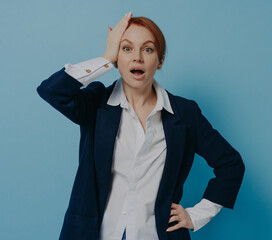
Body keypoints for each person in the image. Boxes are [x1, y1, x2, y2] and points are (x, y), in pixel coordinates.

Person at [37, 11, 245, 240]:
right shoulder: (96, 104)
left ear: (160, 59)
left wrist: (196, 216)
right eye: (126, 49)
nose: (137, 57)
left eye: (147, 49)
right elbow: (52, 90)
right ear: (118, 58)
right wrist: (106, 57)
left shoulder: (184, 113)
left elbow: (231, 165)